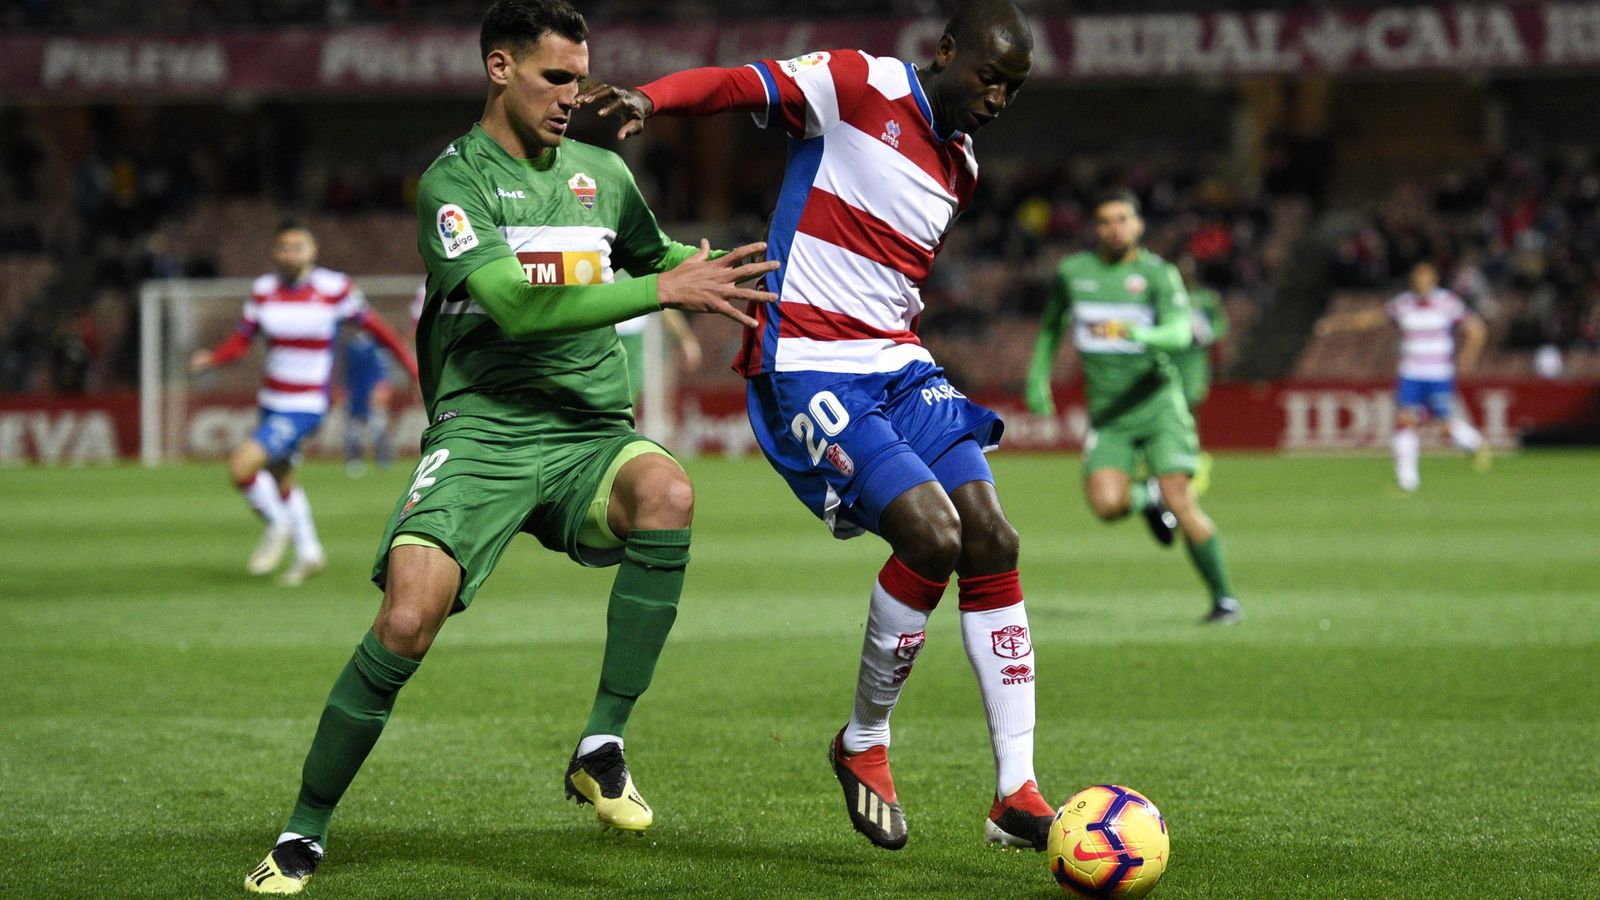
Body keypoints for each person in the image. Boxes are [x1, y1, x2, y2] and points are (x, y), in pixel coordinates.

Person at [242, 1, 779, 893]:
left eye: (581, 77)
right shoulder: (453, 183)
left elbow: (659, 255)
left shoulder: (604, 175)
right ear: (500, 68)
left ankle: (601, 743)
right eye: (554, 78)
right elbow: (522, 305)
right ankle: (305, 828)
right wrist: (657, 292)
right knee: (406, 622)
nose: (574, 95)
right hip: (484, 428)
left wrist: (748, 278)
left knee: (670, 494)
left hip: (588, 434)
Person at [579, 0, 1053, 854]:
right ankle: (863, 744)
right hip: (809, 363)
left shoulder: (964, 166)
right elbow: (735, 83)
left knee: (991, 535)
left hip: (898, 362)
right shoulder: (859, 83)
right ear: (946, 52)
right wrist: (652, 99)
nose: (998, 98)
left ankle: (1014, 791)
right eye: (989, 75)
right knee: (931, 537)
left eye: (1013, 88)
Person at [1025, 190, 1242, 625]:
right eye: (1105, 221)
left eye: (1123, 219)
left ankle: (1224, 600)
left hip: (1159, 405)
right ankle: (1147, 497)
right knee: (1106, 504)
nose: (1114, 228)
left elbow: (1182, 330)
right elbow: (1052, 326)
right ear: (1095, 227)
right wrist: (1036, 377)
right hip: (1109, 415)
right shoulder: (1074, 272)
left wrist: (1147, 336)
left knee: (1182, 501)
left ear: (1139, 225)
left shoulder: (1158, 275)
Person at [190, 220, 418, 587]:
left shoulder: (335, 288)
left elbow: (378, 330)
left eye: (299, 246)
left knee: (241, 466)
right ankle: (309, 552)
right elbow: (241, 340)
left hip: (306, 403)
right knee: (282, 478)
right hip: (272, 400)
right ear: (275, 252)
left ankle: (278, 525)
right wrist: (214, 358)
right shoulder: (264, 291)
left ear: (313, 251)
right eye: (285, 247)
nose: (291, 253)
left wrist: (410, 366)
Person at [1315, 259, 1490, 492]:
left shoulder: (1447, 303)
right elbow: (1370, 320)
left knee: (1445, 427)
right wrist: (1337, 323)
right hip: (1411, 373)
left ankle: (1476, 443)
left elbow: (1476, 329)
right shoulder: (1404, 304)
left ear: (1434, 280)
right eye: (1417, 278)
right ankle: (1407, 483)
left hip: (1439, 373)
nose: (1421, 282)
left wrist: (1468, 357)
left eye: (1425, 277)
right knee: (1404, 424)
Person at [1170, 254, 1228, 495]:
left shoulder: (1206, 299)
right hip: (1172, 360)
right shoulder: (1167, 299)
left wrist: (1207, 335)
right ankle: (1172, 460)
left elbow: (1220, 325)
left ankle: (1194, 460)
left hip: (1194, 362)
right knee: (1171, 412)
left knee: (1190, 410)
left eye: (1188, 270)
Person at [337, 330, 396, 477]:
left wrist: (381, 387)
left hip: (371, 391)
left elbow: (382, 369)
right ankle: (353, 459)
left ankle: (384, 459)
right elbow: (344, 371)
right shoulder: (348, 346)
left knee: (377, 426)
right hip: (355, 391)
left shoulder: (376, 345)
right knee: (353, 428)